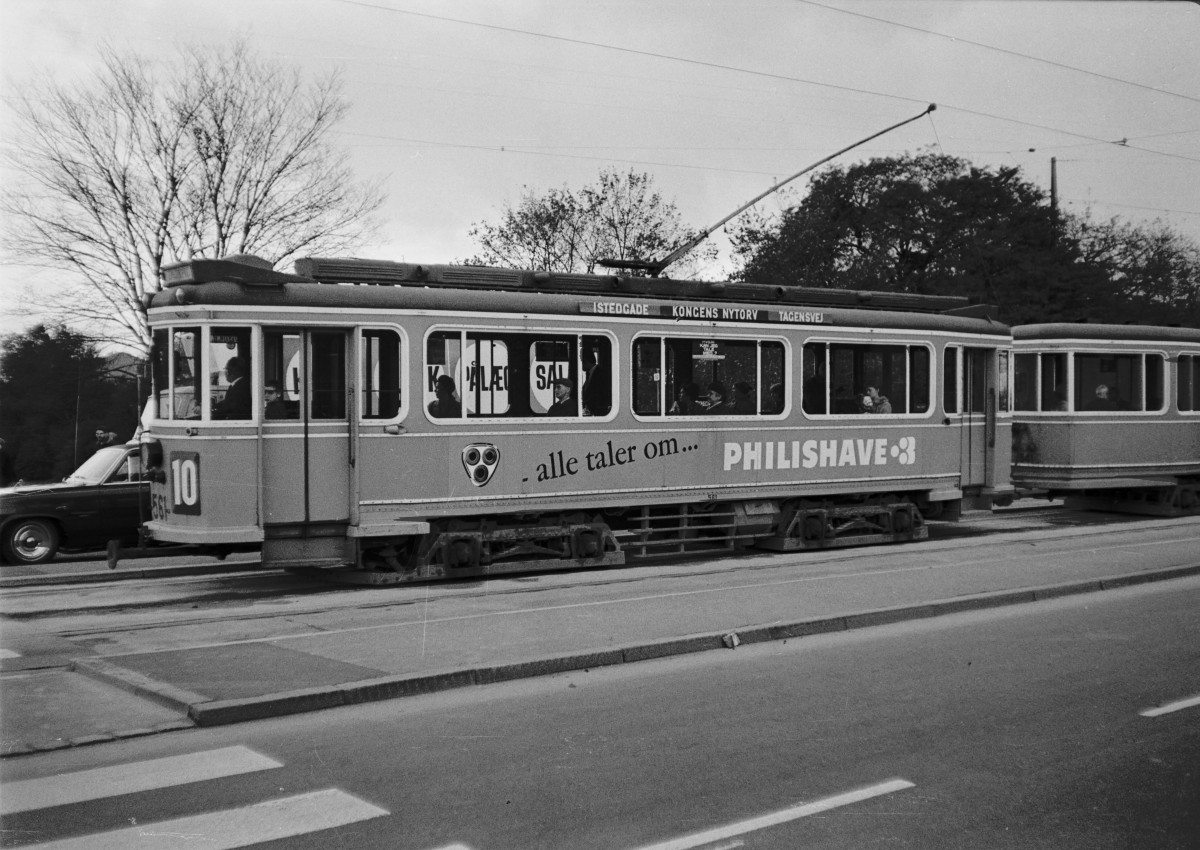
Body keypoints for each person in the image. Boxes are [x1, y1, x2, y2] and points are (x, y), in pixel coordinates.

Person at [580, 347, 611, 416]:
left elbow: (599, 395)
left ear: (585, 361)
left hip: (599, 413)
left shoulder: (601, 374)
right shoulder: (590, 374)